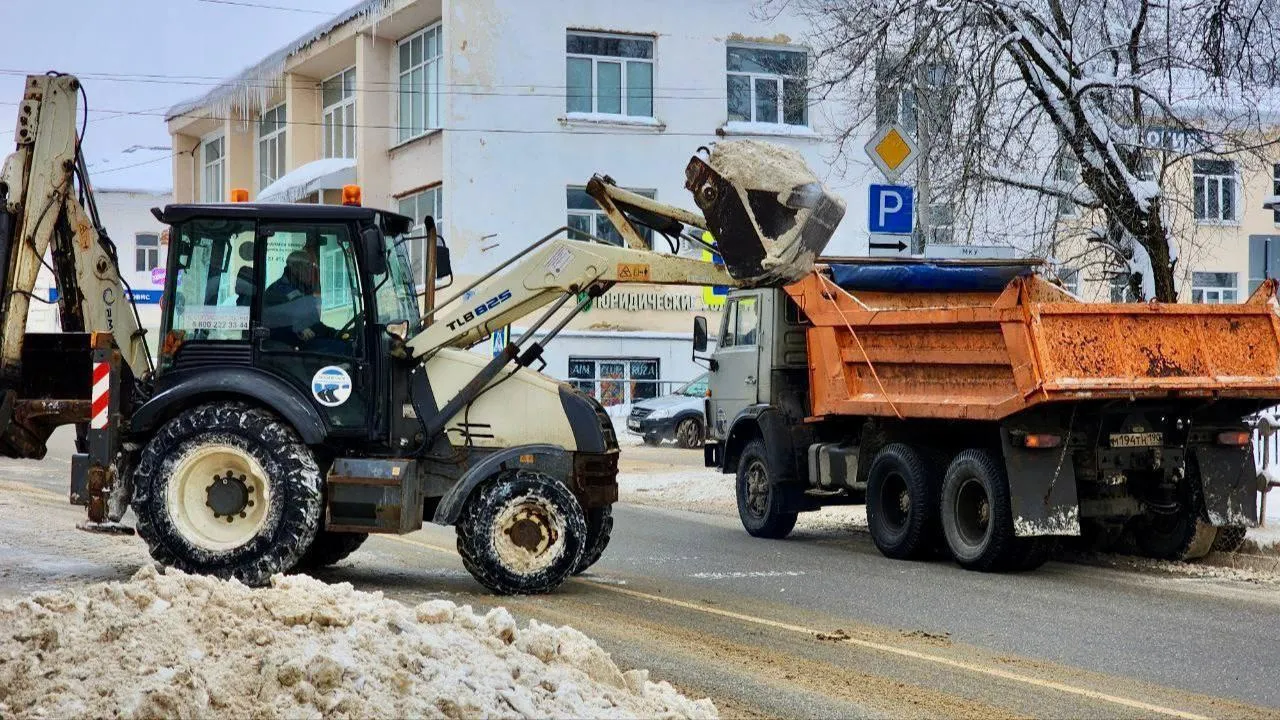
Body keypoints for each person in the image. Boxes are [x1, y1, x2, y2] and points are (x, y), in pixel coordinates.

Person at [262, 250, 340, 351]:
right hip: (287, 348)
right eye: (307, 265)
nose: (310, 270)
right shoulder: (277, 291)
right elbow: (272, 323)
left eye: (312, 266)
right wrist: (298, 328)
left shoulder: (305, 290)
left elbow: (313, 323)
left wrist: (335, 334)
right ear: (294, 268)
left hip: (306, 343)